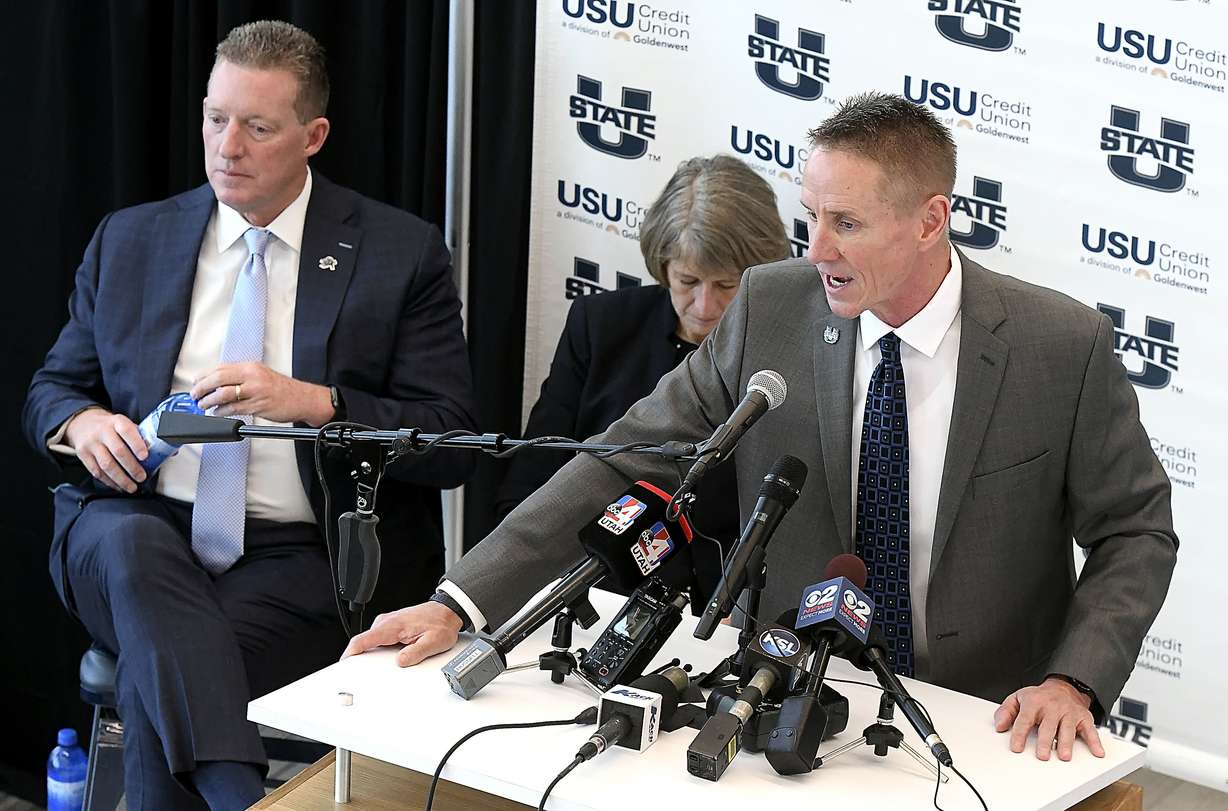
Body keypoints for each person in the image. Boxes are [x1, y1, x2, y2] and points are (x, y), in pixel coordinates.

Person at [345, 92, 1177, 765]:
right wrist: (462, 600)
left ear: (930, 221)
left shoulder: (1060, 345)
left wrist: (1074, 679)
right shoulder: (771, 307)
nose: (816, 249)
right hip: (789, 699)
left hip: (987, 718)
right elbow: (624, 460)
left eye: (846, 223)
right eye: (811, 214)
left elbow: (1135, 529)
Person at [23, 21, 476, 811]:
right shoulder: (132, 238)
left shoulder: (398, 254)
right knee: (133, 549)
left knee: (170, 663)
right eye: (215, 119)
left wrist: (315, 403)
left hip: (299, 554)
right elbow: (51, 391)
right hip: (132, 522)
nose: (227, 147)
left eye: (258, 128)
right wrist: (84, 423)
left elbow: (451, 440)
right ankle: (240, 796)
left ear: (313, 136)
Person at [495, 155, 790, 601]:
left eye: (726, 285)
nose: (704, 306)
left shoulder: (785, 350)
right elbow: (533, 478)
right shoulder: (601, 326)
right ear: (662, 264)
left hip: (733, 604)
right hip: (599, 593)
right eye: (688, 280)